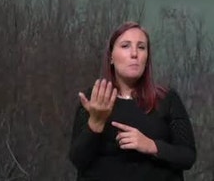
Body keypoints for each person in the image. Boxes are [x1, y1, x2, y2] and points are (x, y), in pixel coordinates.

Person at [69, 21, 197, 180]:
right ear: (111, 57)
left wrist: (151, 146)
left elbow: (187, 156)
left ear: (147, 58)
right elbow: (78, 160)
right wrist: (95, 124)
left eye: (141, 47)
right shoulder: (95, 99)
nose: (134, 54)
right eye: (125, 46)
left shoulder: (166, 99)